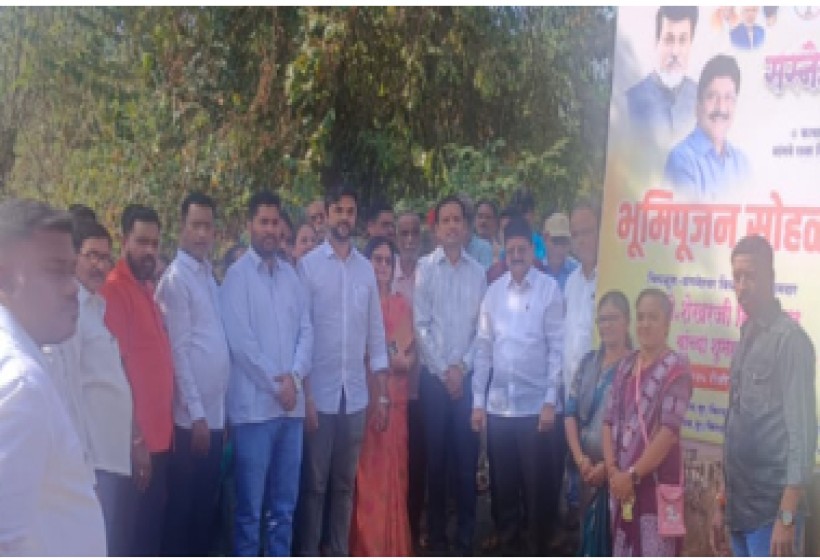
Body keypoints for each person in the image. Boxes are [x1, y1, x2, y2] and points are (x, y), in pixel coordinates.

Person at [0, 199, 106, 555]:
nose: (73, 287)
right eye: (55, 271)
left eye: (71, 271)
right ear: (5, 277)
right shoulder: (22, 386)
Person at [297, 184, 390, 556]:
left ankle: (337, 551)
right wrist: (305, 396)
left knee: (344, 485)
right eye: (338, 210)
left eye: (350, 212)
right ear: (327, 214)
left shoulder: (366, 270)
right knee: (314, 486)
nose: (344, 218)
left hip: (355, 398)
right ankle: (308, 552)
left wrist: (382, 395)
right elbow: (301, 334)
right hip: (318, 397)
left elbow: (376, 336)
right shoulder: (308, 267)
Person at [221, 191, 313, 556]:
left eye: (275, 223)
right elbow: (241, 344)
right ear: (250, 226)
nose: (270, 229)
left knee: (284, 509)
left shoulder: (292, 277)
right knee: (249, 512)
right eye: (264, 222)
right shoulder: (236, 278)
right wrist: (279, 385)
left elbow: (307, 331)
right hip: (254, 413)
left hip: (290, 414)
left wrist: (295, 378)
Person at [711, 235, 816, 557]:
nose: (742, 286)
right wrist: (722, 500)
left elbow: (803, 435)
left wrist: (787, 516)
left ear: (771, 277)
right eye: (737, 277)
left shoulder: (790, 341)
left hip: (772, 515)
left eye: (751, 276)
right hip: (739, 508)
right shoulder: (746, 336)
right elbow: (736, 426)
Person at [470, 215, 564, 555]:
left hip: (536, 410)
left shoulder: (548, 289)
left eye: (522, 249)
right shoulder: (493, 293)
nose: (516, 256)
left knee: (537, 491)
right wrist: (477, 403)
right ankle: (508, 547)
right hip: (499, 410)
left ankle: (537, 548)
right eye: (510, 250)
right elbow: (483, 349)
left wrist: (550, 400)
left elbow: (557, 348)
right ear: (504, 253)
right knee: (504, 489)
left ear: (532, 250)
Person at [47, 218, 134, 556]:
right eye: (91, 256)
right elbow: (69, 391)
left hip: (110, 456)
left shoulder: (96, 307)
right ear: (74, 257)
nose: (99, 265)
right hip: (93, 460)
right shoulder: (72, 311)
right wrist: (84, 468)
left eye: (105, 257)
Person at [156, 193, 231, 556]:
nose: (202, 234)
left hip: (213, 416)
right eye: (195, 225)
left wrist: (218, 413)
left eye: (208, 226)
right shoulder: (176, 280)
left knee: (204, 510)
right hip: (191, 421)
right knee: (183, 511)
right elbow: (179, 352)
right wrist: (198, 414)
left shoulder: (207, 276)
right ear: (182, 228)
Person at [100, 203, 175, 556]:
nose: (149, 251)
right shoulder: (114, 291)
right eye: (142, 242)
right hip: (137, 446)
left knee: (149, 535)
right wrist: (136, 440)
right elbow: (117, 368)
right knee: (130, 540)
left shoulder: (146, 289)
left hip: (161, 439)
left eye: (155, 244)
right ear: (124, 240)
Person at [414, 195, 487, 556]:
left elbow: (482, 331)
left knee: (465, 461)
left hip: (467, 381)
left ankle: (465, 540)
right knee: (437, 462)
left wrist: (462, 368)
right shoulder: (425, 269)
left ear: (467, 227)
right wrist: (446, 371)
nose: (452, 226)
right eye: (446, 220)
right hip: (434, 382)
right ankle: (438, 539)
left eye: (458, 219)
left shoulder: (478, 273)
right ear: (437, 228)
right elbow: (420, 326)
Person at [602, 288, 693, 556]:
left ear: (667, 324)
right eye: (640, 317)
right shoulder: (625, 365)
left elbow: (668, 433)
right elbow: (608, 420)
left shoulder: (676, 370)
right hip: (621, 488)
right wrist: (613, 473)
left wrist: (632, 475)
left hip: (656, 488)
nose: (645, 324)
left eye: (653, 317)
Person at [350, 237, 416, 556]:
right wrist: (385, 352)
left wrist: (382, 351)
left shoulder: (400, 305)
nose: (383, 266)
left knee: (394, 477)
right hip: (363, 399)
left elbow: (403, 358)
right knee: (365, 478)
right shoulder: (357, 303)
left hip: (395, 401)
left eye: (388, 261)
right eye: (377, 259)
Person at [564, 290, 632, 555]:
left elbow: (635, 429)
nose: (607, 325)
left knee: (614, 542)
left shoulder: (636, 367)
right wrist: (581, 460)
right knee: (588, 536)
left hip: (618, 474)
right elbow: (570, 413)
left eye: (613, 318)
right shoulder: (587, 363)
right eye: (602, 319)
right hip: (585, 471)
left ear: (627, 321)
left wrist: (608, 466)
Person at [559, 198, 601, 529]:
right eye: (576, 234)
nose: (581, 239)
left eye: (587, 231)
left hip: (600, 395)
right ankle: (580, 537)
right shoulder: (571, 282)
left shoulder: (610, 277)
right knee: (576, 470)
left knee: (598, 474)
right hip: (571, 392)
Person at [664, 54, 751, 199]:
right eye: (712, 97)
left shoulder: (742, 164)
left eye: (728, 98)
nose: (721, 107)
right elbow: (690, 212)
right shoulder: (681, 159)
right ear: (698, 106)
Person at [392, 210, 426, 549]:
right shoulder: (385, 274)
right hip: (391, 389)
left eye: (415, 232)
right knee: (393, 466)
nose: (410, 239)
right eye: (404, 233)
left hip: (423, 387)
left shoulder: (429, 273)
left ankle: (412, 532)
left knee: (418, 463)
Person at [626, 7, 699, 135]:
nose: (675, 52)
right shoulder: (629, 101)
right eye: (669, 40)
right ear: (656, 42)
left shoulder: (702, 100)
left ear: (691, 44)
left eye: (682, 40)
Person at [542, 212, 578, 291]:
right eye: (556, 241)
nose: (559, 248)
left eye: (564, 242)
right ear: (545, 239)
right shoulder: (538, 269)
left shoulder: (577, 271)